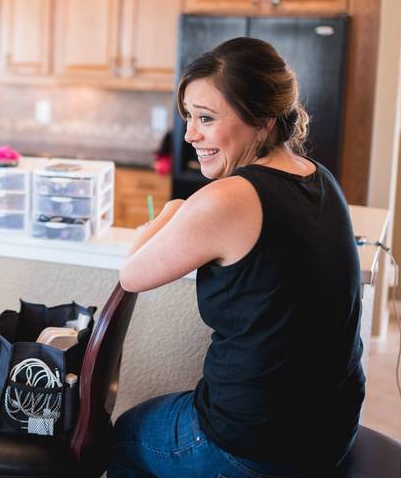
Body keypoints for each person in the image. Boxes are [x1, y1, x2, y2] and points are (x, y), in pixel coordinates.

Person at [110, 37, 365, 478]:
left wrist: (174, 210)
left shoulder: (231, 196)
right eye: (189, 116)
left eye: (206, 118)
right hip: (332, 430)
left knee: (123, 437)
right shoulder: (320, 178)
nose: (190, 134)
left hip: (254, 445)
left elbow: (131, 274)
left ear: (263, 121)